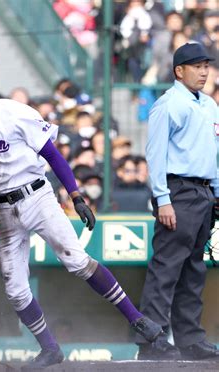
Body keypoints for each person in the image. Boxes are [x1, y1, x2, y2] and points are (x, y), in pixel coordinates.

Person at [0, 57, 163, 371]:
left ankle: (137, 319)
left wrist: (75, 195)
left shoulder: (15, 112)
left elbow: (52, 154)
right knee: (15, 289)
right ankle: (50, 349)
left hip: (36, 196)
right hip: (0, 210)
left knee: (76, 260)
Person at [136, 42, 219, 360]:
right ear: (178, 71)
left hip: (203, 193)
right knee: (166, 267)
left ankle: (189, 339)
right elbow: (155, 155)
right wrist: (162, 199)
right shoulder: (168, 104)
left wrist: (216, 193)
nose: (203, 71)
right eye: (196, 65)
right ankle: (151, 341)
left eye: (206, 65)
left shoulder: (210, 105)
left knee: (193, 270)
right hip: (177, 190)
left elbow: (212, 154)